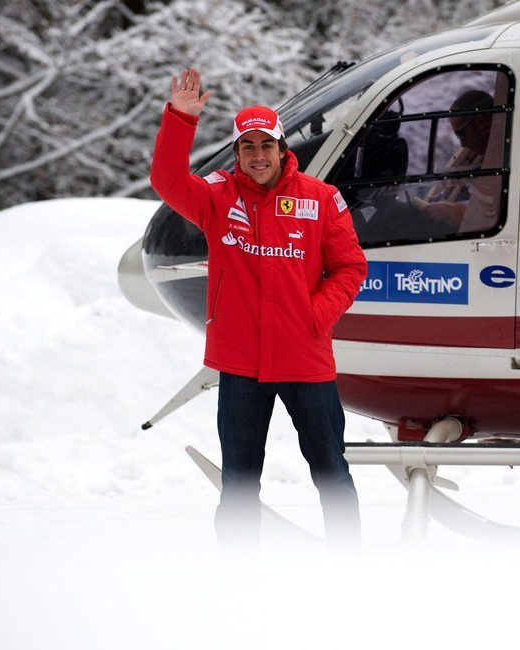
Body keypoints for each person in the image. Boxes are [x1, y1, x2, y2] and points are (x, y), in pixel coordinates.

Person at [150, 68, 368, 546]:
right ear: (237, 153)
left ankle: (349, 561)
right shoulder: (216, 197)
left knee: (331, 470)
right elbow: (166, 180)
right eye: (247, 147)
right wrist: (180, 121)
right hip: (241, 364)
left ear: (282, 147)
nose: (257, 155)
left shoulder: (321, 199)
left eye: (265, 145)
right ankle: (237, 569)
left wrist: (315, 316)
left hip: (306, 361)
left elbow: (351, 268)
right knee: (240, 481)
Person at [418, 89, 500, 234]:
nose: (463, 145)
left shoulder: (505, 157)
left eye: (461, 134)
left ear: (483, 124)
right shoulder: (490, 158)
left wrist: (450, 212)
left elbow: (495, 215)